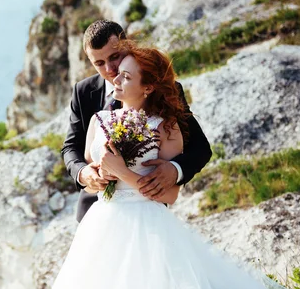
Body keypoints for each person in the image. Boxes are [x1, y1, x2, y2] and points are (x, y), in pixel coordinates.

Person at [40, 43, 300, 289]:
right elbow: (77, 153)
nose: (111, 73)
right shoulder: (96, 115)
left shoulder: (166, 125)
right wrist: (92, 175)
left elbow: (175, 187)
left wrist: (144, 171)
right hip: (100, 220)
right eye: (100, 63)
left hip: (147, 224)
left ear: (147, 86)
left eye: (118, 64)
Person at [62, 19, 212, 222]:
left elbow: (200, 147)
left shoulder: (165, 88)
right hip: (94, 212)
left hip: (145, 214)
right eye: (99, 63)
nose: (110, 69)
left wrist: (175, 170)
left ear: (127, 45)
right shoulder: (83, 92)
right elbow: (70, 147)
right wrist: (83, 173)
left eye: (114, 56)